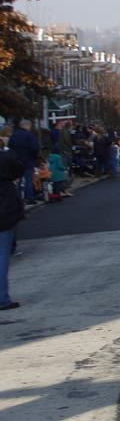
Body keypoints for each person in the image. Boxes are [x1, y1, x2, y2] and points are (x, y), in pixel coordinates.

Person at [0, 148, 25, 311]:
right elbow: (19, 167)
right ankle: (2, 298)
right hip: (4, 211)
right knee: (2, 254)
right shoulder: (4, 158)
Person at [8, 120, 39, 204]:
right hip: (28, 160)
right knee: (28, 179)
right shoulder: (30, 135)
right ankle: (29, 198)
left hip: (17, 160)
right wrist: (34, 157)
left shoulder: (13, 135)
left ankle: (18, 199)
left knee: (18, 180)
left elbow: (10, 148)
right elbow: (35, 148)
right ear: (27, 125)